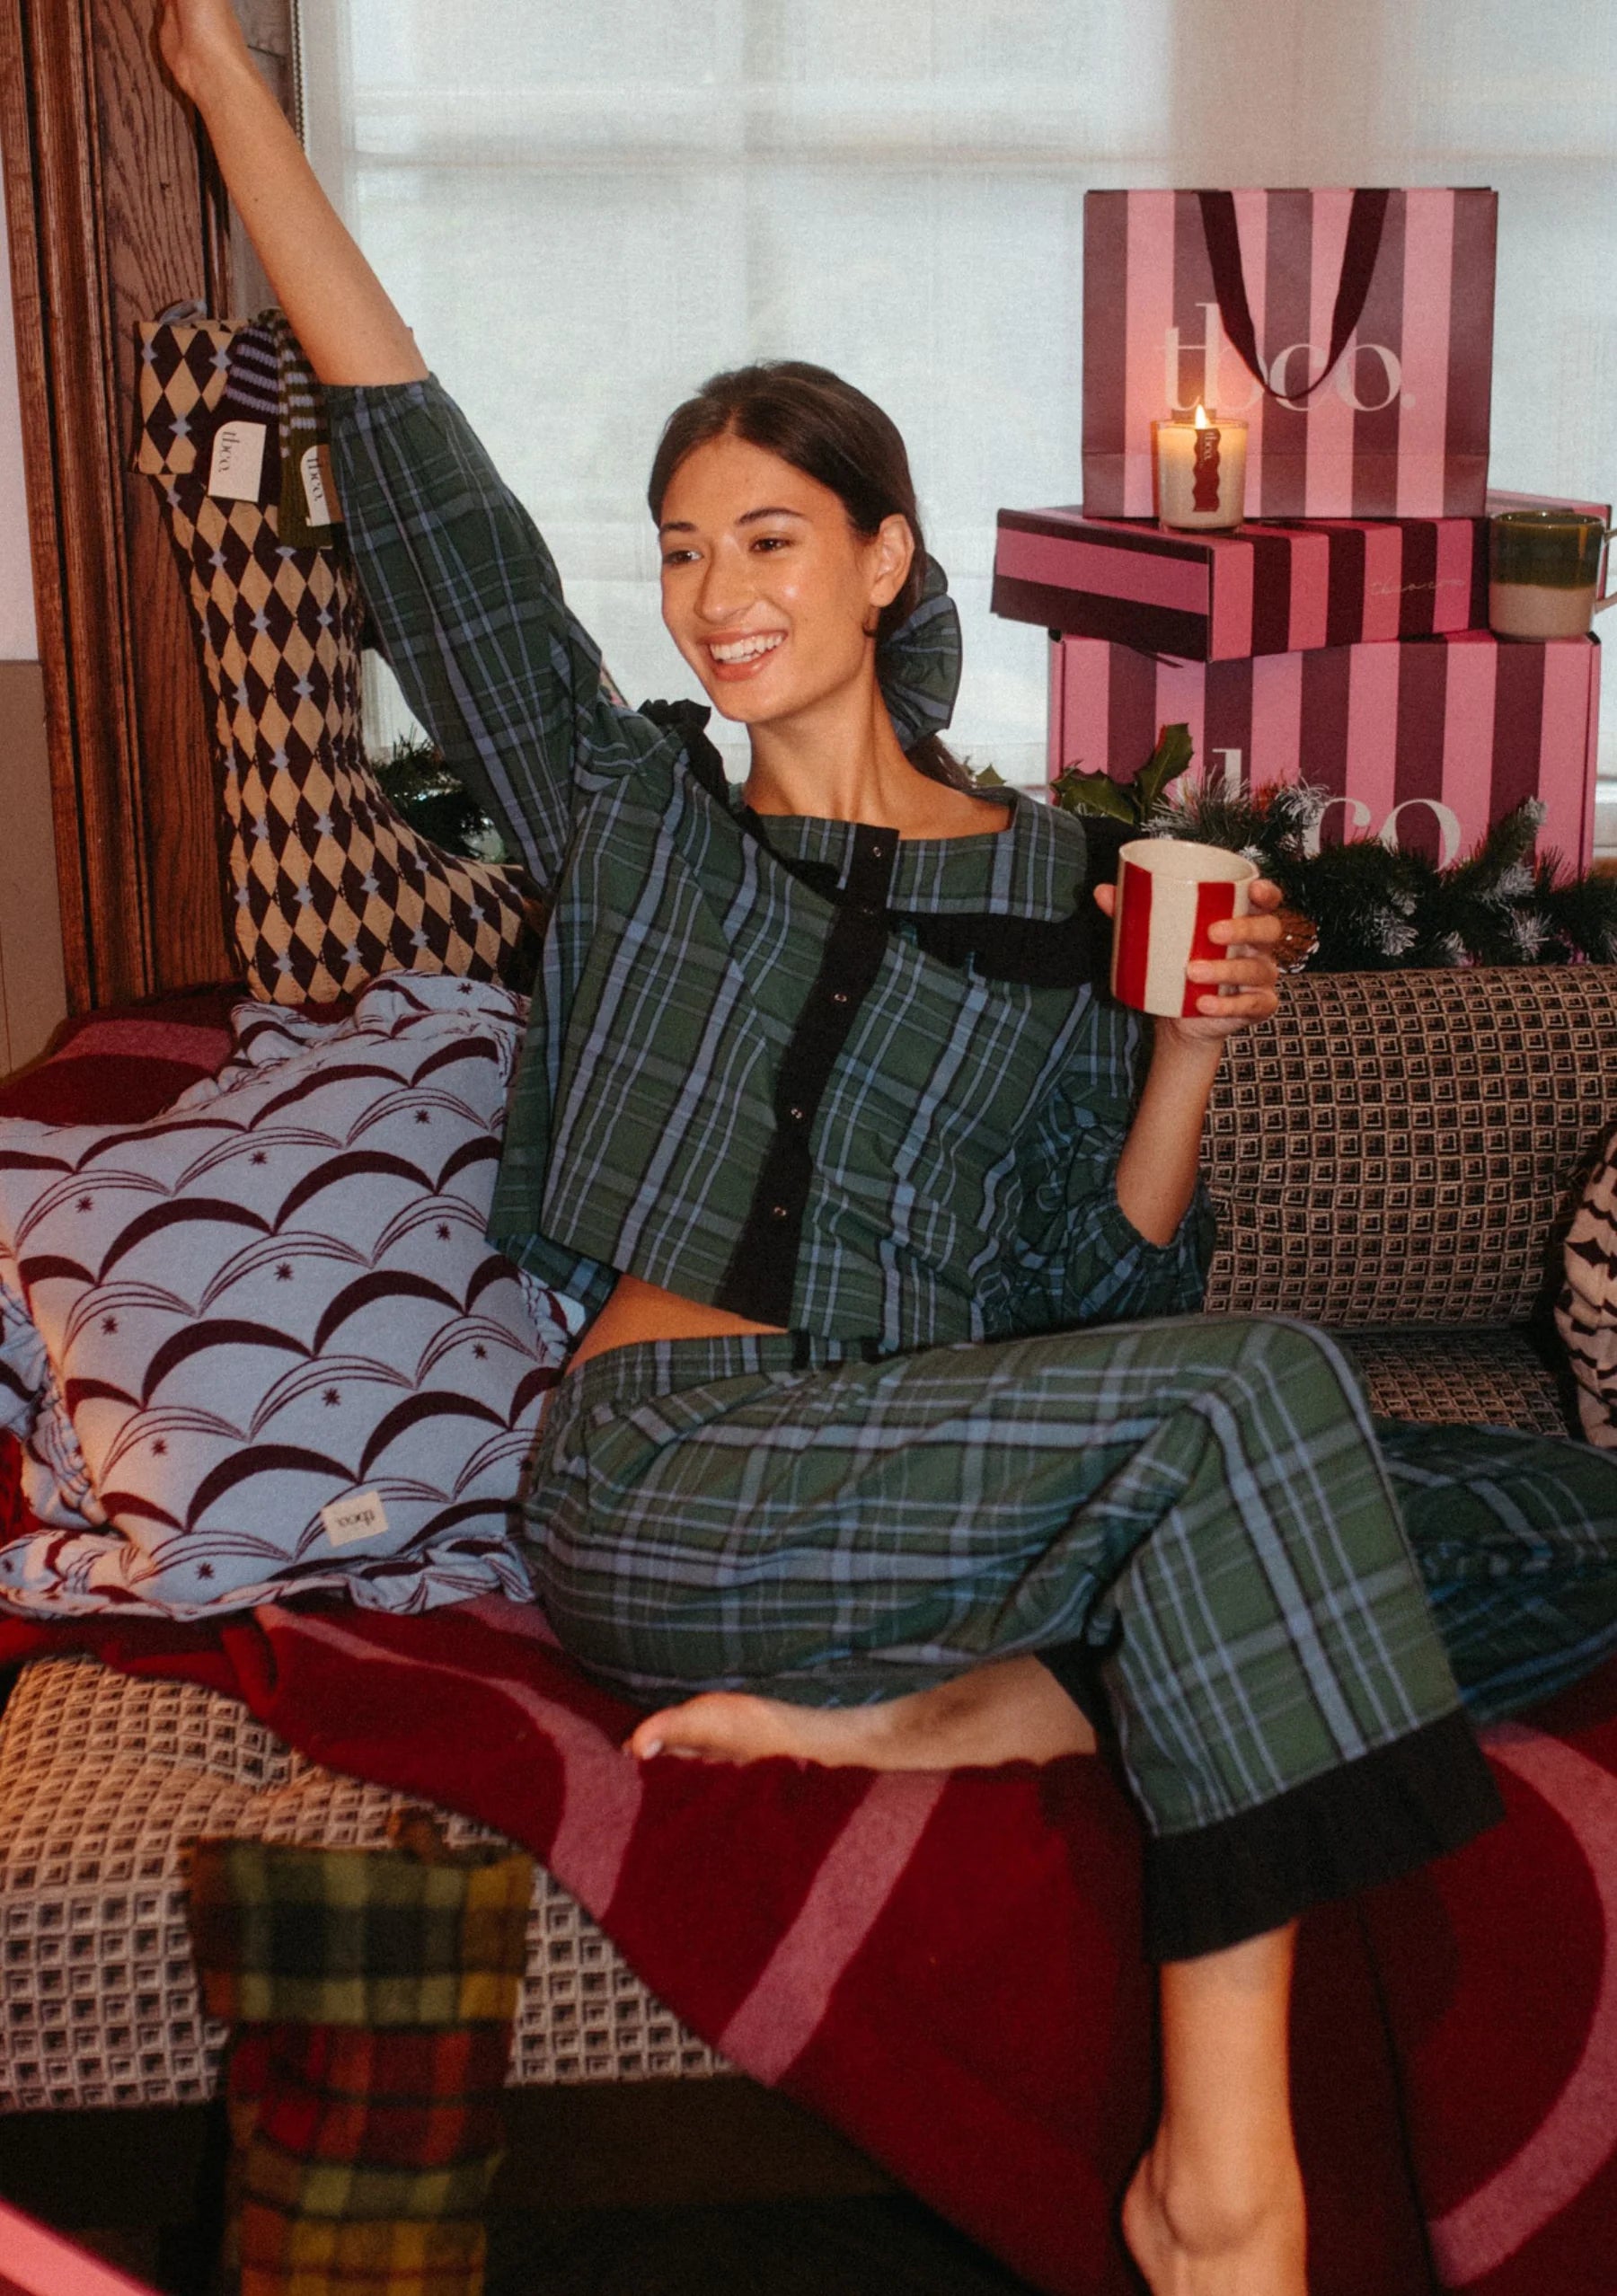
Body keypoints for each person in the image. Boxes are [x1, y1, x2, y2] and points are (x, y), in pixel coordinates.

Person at [156, 8, 1617, 2291]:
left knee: (1565, 1521)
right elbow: (423, 491)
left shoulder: (1054, 889)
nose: (719, 591)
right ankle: (1220, 2195)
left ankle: (982, 1710)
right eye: (678, 549)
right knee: (1265, 1401)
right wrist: (223, 84)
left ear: (882, 556)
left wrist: (1190, 1052)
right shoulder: (626, 810)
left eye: (768, 535)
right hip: (679, 1479)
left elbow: (1097, 1303)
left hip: (947, 1482)